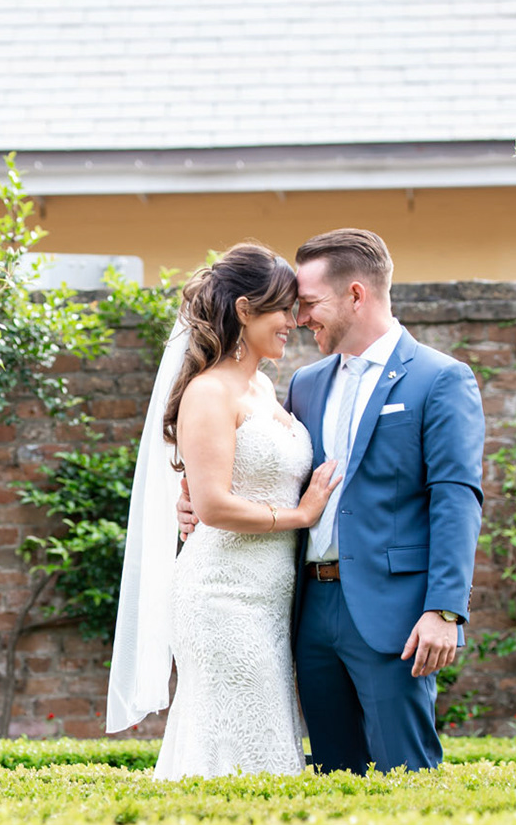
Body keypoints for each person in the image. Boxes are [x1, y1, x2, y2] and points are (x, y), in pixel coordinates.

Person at [177, 228, 484, 774]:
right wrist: (193, 503)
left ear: (357, 295)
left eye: (311, 304)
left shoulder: (440, 379)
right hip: (303, 609)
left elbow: (456, 499)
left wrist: (444, 610)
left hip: (394, 612)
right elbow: (262, 476)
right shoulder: (303, 385)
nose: (299, 318)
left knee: (406, 772)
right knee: (331, 777)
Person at [106, 242, 339, 778]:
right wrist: (300, 516)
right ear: (244, 310)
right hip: (221, 597)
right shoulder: (209, 391)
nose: (294, 321)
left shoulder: (263, 386)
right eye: (283, 309)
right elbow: (211, 504)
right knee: (237, 746)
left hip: (271, 597)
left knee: (269, 738)